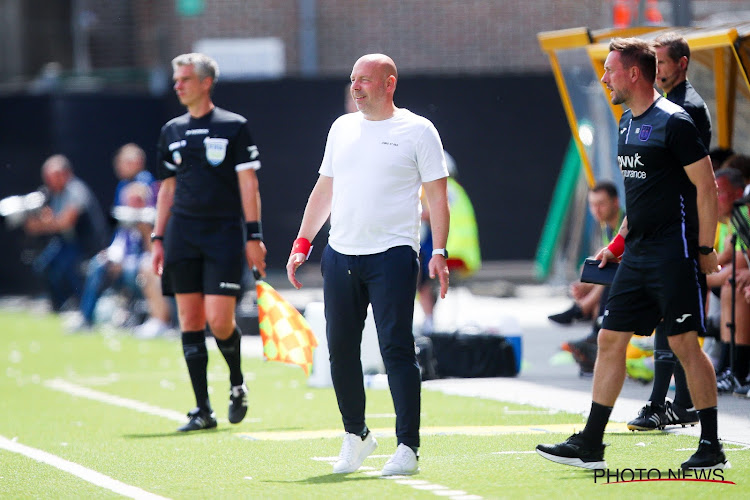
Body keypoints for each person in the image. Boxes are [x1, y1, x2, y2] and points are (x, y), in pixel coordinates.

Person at [536, 38, 726, 470]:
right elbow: (639, 198)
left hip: (673, 253)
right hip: (637, 253)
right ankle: (591, 443)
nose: (604, 79)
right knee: (608, 338)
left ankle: (712, 446)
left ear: (633, 74)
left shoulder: (676, 122)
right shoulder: (625, 123)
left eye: (610, 71)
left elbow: (706, 187)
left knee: (683, 344)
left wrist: (706, 247)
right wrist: (616, 246)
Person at [286, 54, 450, 476]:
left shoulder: (418, 130)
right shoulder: (341, 128)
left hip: (393, 254)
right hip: (340, 253)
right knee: (340, 349)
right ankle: (356, 434)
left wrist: (439, 252)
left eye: (364, 81)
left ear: (389, 83)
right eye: (353, 80)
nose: (356, 87)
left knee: (396, 348)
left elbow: (437, 197)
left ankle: (408, 447)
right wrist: (303, 241)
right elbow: (325, 188)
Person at [151, 52, 266, 432]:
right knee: (190, 320)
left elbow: (249, 185)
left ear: (205, 82)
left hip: (223, 235)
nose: (177, 85)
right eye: (176, 79)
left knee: (219, 320)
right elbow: (166, 190)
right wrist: (157, 237)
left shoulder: (234, 127)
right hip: (182, 235)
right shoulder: (171, 130)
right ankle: (202, 410)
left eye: (185, 79)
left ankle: (237, 382)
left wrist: (255, 236)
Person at [626, 32, 714, 432]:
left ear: (681, 64)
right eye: (654, 63)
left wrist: (703, 244)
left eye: (662, 63)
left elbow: (696, 182)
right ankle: (669, 402)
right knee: (667, 323)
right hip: (662, 229)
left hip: (680, 231)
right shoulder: (651, 111)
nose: (657, 70)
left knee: (679, 326)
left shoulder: (684, 112)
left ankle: (674, 404)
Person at [24, 154, 107, 312]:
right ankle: (59, 305)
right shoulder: (54, 193)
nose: (49, 181)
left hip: (85, 245)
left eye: (53, 176)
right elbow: (51, 217)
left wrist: (38, 226)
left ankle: (83, 307)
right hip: (66, 243)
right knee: (44, 266)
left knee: (68, 267)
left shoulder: (76, 190)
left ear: (65, 173)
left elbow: (65, 222)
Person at [557, 182, 624, 375]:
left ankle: (585, 313)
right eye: (592, 204)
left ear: (616, 202)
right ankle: (595, 338)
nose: (596, 210)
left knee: (607, 280)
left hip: (637, 280)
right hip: (621, 278)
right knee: (595, 277)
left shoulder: (624, 223)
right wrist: (587, 284)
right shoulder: (607, 227)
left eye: (601, 203)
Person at [418, 150, 480, 333]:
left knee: (419, 272)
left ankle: (428, 321)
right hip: (465, 253)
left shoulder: (439, 188)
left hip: (449, 250)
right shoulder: (457, 189)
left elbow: (434, 214)